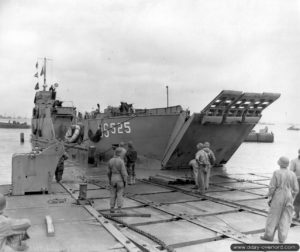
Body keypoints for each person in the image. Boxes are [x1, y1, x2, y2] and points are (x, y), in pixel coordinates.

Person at [261, 156, 299, 243]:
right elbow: (296, 189)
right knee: (286, 218)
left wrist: (268, 195)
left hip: (278, 195)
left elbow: (272, 187)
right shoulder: (292, 174)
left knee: (273, 216)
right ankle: (282, 239)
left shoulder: (276, 173)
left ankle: (269, 236)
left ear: (280, 163)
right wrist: (292, 198)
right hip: (289, 195)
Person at [107, 147, 128, 213]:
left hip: (113, 178)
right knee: (120, 194)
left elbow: (108, 172)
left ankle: (112, 208)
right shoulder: (121, 161)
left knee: (112, 194)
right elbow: (124, 173)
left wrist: (110, 180)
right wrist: (125, 181)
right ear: (120, 154)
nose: (124, 155)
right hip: (120, 179)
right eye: (123, 154)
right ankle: (119, 209)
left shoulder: (110, 160)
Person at [290, 149, 300, 219]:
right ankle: (297, 215)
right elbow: (291, 173)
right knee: (297, 199)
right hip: (297, 181)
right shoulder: (294, 161)